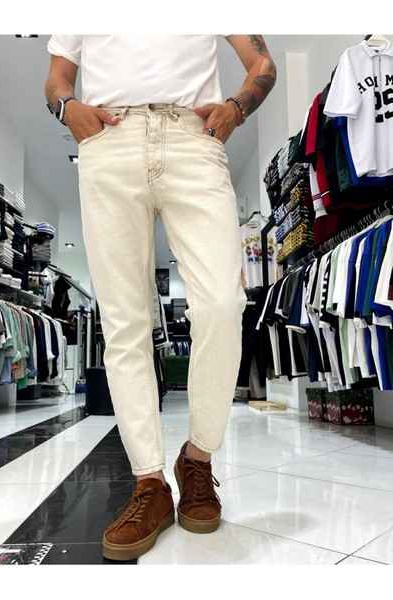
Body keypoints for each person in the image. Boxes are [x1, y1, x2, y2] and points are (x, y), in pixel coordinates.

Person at [45, 34, 276, 561]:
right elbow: (57, 77)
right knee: (124, 323)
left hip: (192, 137)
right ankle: (149, 483)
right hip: (109, 142)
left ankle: (196, 460)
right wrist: (67, 107)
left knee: (222, 304)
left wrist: (238, 107)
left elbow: (261, 62)